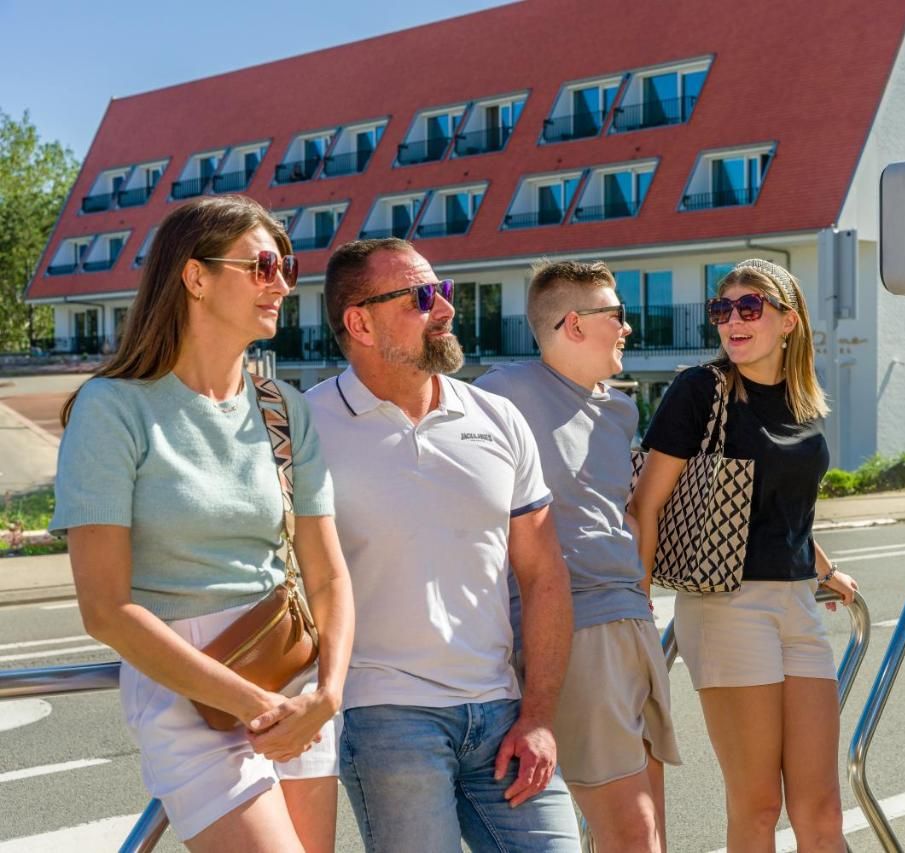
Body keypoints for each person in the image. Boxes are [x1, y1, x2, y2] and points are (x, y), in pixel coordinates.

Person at [51, 195, 354, 852]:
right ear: (194, 276)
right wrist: (255, 706)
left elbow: (328, 572)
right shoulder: (112, 409)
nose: (282, 284)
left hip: (293, 676)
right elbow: (105, 610)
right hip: (187, 691)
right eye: (263, 266)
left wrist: (328, 694)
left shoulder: (282, 408)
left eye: (287, 267)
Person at [305, 238, 579, 852]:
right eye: (423, 297)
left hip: (503, 714)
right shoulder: (307, 427)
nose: (447, 308)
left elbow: (544, 576)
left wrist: (537, 716)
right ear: (360, 322)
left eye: (444, 291)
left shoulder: (498, 418)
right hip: (384, 716)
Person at [630, 258, 858, 852]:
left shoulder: (804, 401)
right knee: (758, 808)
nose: (732, 320)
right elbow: (646, 506)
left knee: (823, 812)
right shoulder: (700, 390)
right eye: (722, 309)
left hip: (798, 606)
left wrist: (826, 570)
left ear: (788, 320)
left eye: (749, 307)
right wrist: (637, 610)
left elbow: (787, 509)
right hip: (725, 606)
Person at [475, 260, 682, 852]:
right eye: (616, 315)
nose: (628, 328)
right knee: (632, 833)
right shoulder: (500, 396)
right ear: (572, 324)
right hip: (578, 624)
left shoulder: (619, 409)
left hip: (632, 621)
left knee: (650, 830)